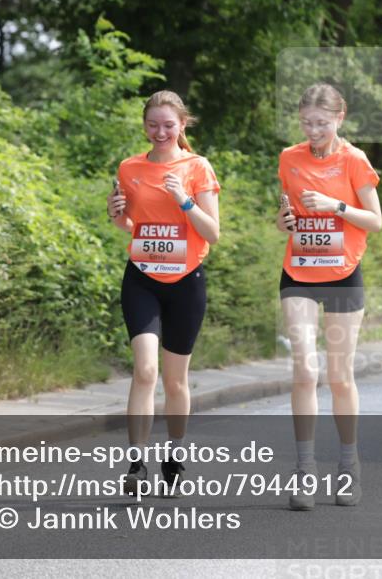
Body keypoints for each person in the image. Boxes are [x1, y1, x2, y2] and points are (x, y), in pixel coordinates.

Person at [106, 90, 220, 495]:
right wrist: (116, 213)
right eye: (153, 125)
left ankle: (174, 452)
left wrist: (183, 200)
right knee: (145, 370)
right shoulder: (129, 167)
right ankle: (136, 463)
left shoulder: (197, 167)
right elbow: (130, 226)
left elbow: (213, 233)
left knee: (175, 381)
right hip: (142, 278)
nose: (160, 132)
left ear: (182, 125)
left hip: (186, 282)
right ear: (144, 126)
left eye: (168, 125)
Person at [275, 83, 382, 509]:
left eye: (321, 123)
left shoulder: (354, 160)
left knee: (339, 377)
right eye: (306, 123)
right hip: (299, 271)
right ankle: (304, 472)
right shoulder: (289, 158)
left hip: (342, 273)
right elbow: (286, 216)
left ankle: (349, 464)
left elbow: (375, 221)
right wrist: (284, 221)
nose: (313, 130)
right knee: (304, 368)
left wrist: (334, 206)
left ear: (339, 118)